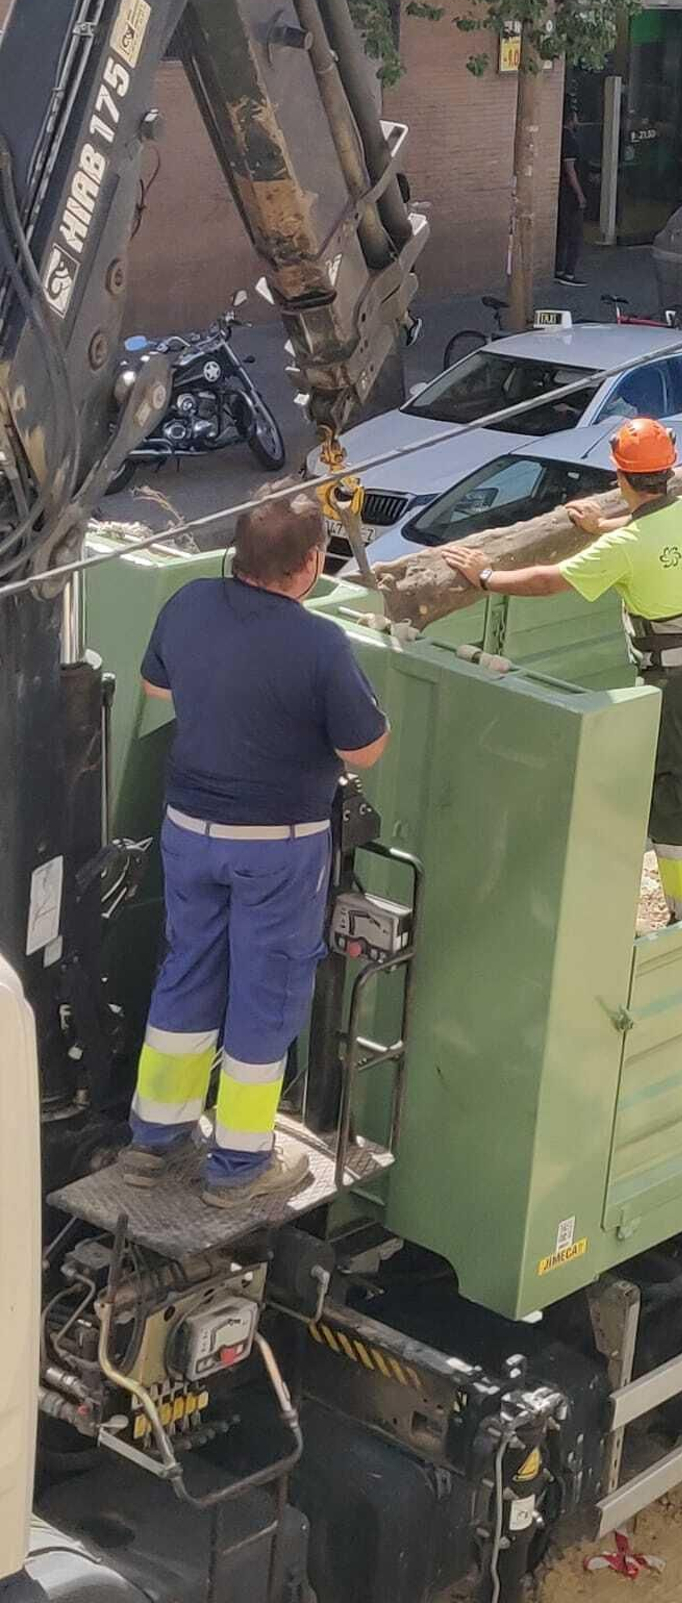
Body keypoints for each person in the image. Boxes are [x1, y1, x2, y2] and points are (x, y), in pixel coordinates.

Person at [126, 495, 390, 1207]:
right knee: (264, 993)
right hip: (278, 848)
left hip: (189, 831)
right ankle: (240, 1163)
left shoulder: (188, 603)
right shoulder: (320, 643)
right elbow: (366, 748)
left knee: (187, 968)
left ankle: (154, 1139)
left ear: (235, 553)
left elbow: (155, 683)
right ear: (311, 563)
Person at [441, 419, 682, 923]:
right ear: (668, 470)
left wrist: (486, 576)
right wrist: (600, 527)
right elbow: (648, 533)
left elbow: (549, 580)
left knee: (670, 801)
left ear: (620, 476)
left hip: (674, 687)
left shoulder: (626, 546)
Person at [555, 103, 586, 287]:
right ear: (571, 118)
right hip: (570, 195)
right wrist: (580, 194)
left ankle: (558, 269)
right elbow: (570, 170)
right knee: (575, 235)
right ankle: (569, 272)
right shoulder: (570, 141)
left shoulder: (558, 137)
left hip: (561, 193)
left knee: (563, 232)